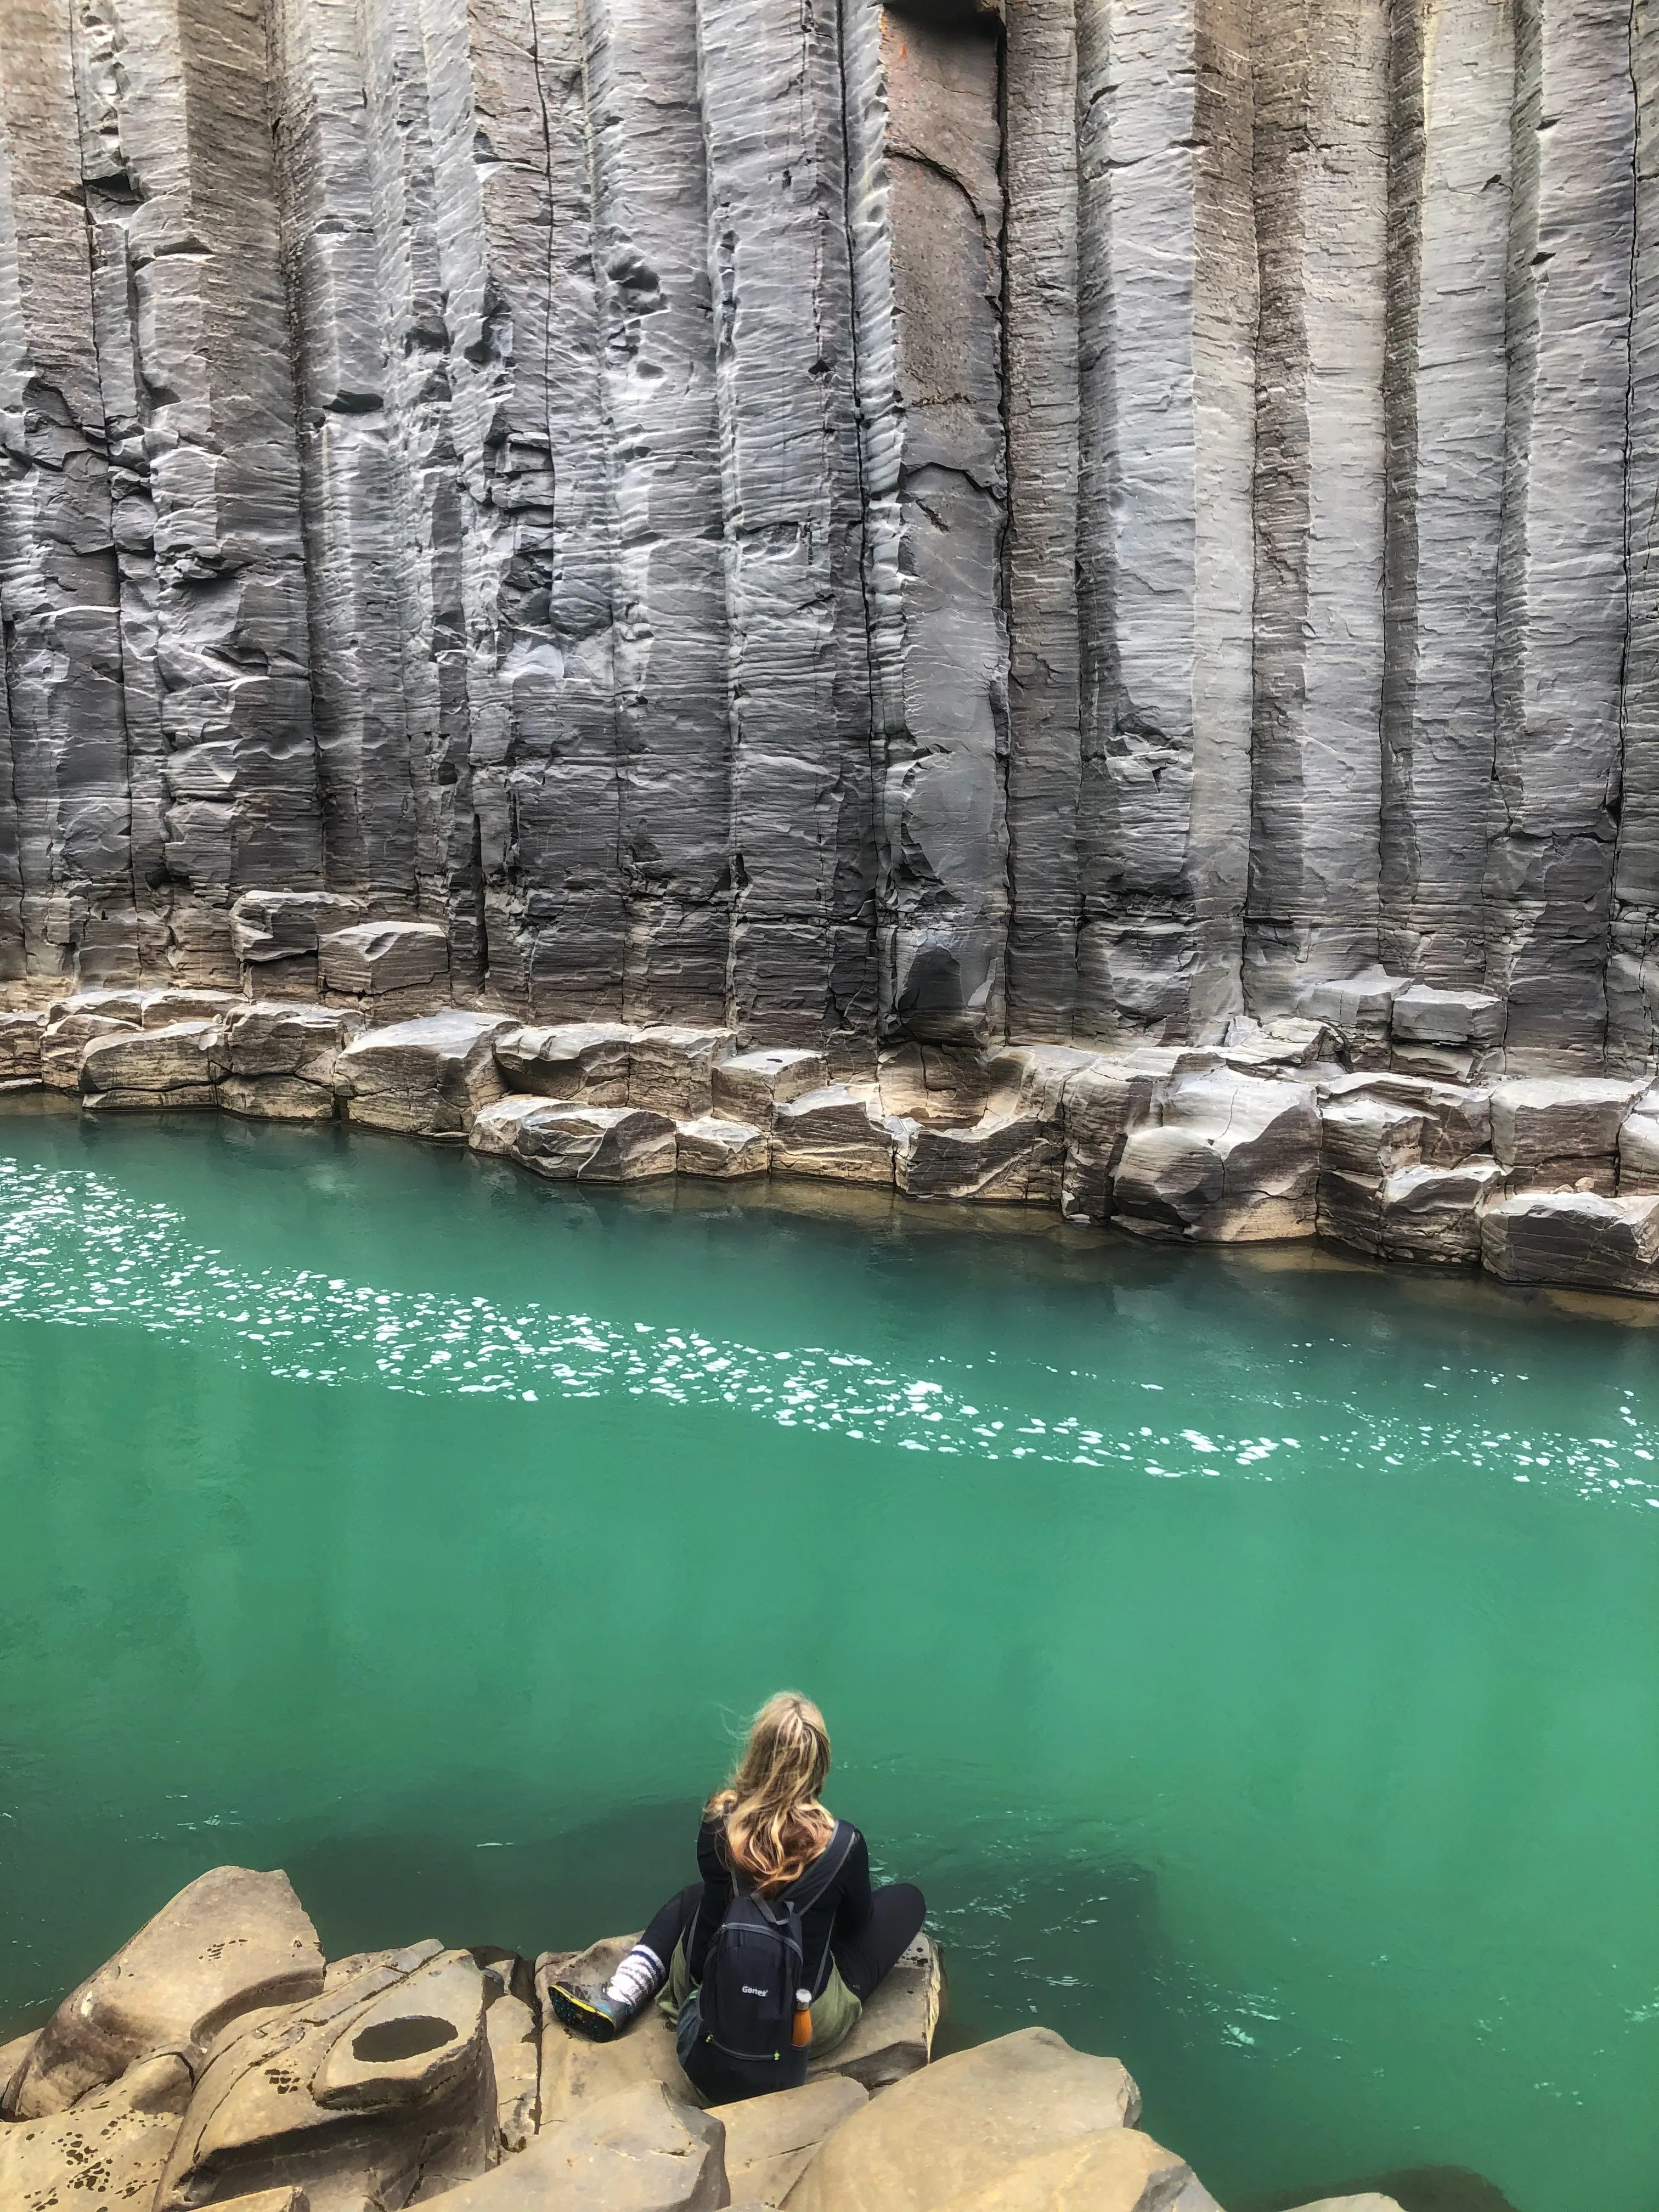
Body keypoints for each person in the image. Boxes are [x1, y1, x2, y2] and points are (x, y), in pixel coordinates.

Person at [549, 1692, 926, 2091]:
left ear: (757, 1753)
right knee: (907, 1900)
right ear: (820, 1763)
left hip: (705, 1994)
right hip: (797, 2022)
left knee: (694, 1897)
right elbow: (856, 1925)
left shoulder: (718, 1821)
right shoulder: (843, 1844)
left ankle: (626, 1989)